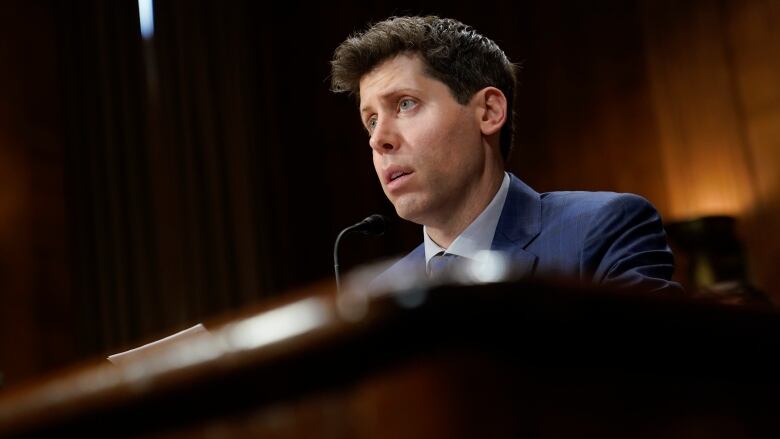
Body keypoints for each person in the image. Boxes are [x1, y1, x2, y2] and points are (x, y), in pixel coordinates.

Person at [330, 16, 680, 293]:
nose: (379, 139)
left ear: (488, 112)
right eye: (371, 120)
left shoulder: (602, 231)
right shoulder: (380, 296)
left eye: (405, 104)